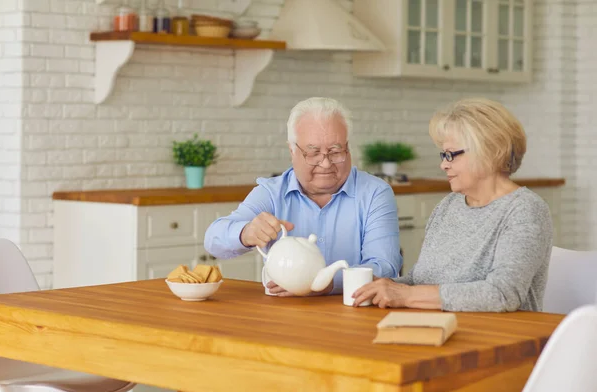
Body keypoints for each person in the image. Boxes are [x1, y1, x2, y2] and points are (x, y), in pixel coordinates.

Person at [353, 98, 553, 312]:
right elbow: (419, 280)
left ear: (489, 151)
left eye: (451, 155)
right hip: (437, 329)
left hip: (497, 338)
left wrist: (407, 295)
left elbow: (503, 294)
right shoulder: (448, 205)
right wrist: (384, 287)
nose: (443, 165)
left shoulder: (524, 210)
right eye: (443, 155)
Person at [204, 97, 402, 296]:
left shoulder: (375, 192)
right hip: (285, 314)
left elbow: (385, 266)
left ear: (348, 148)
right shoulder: (272, 193)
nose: (325, 163)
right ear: (292, 150)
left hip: (353, 311)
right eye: (313, 152)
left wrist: (323, 282)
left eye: (335, 151)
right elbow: (213, 239)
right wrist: (246, 233)